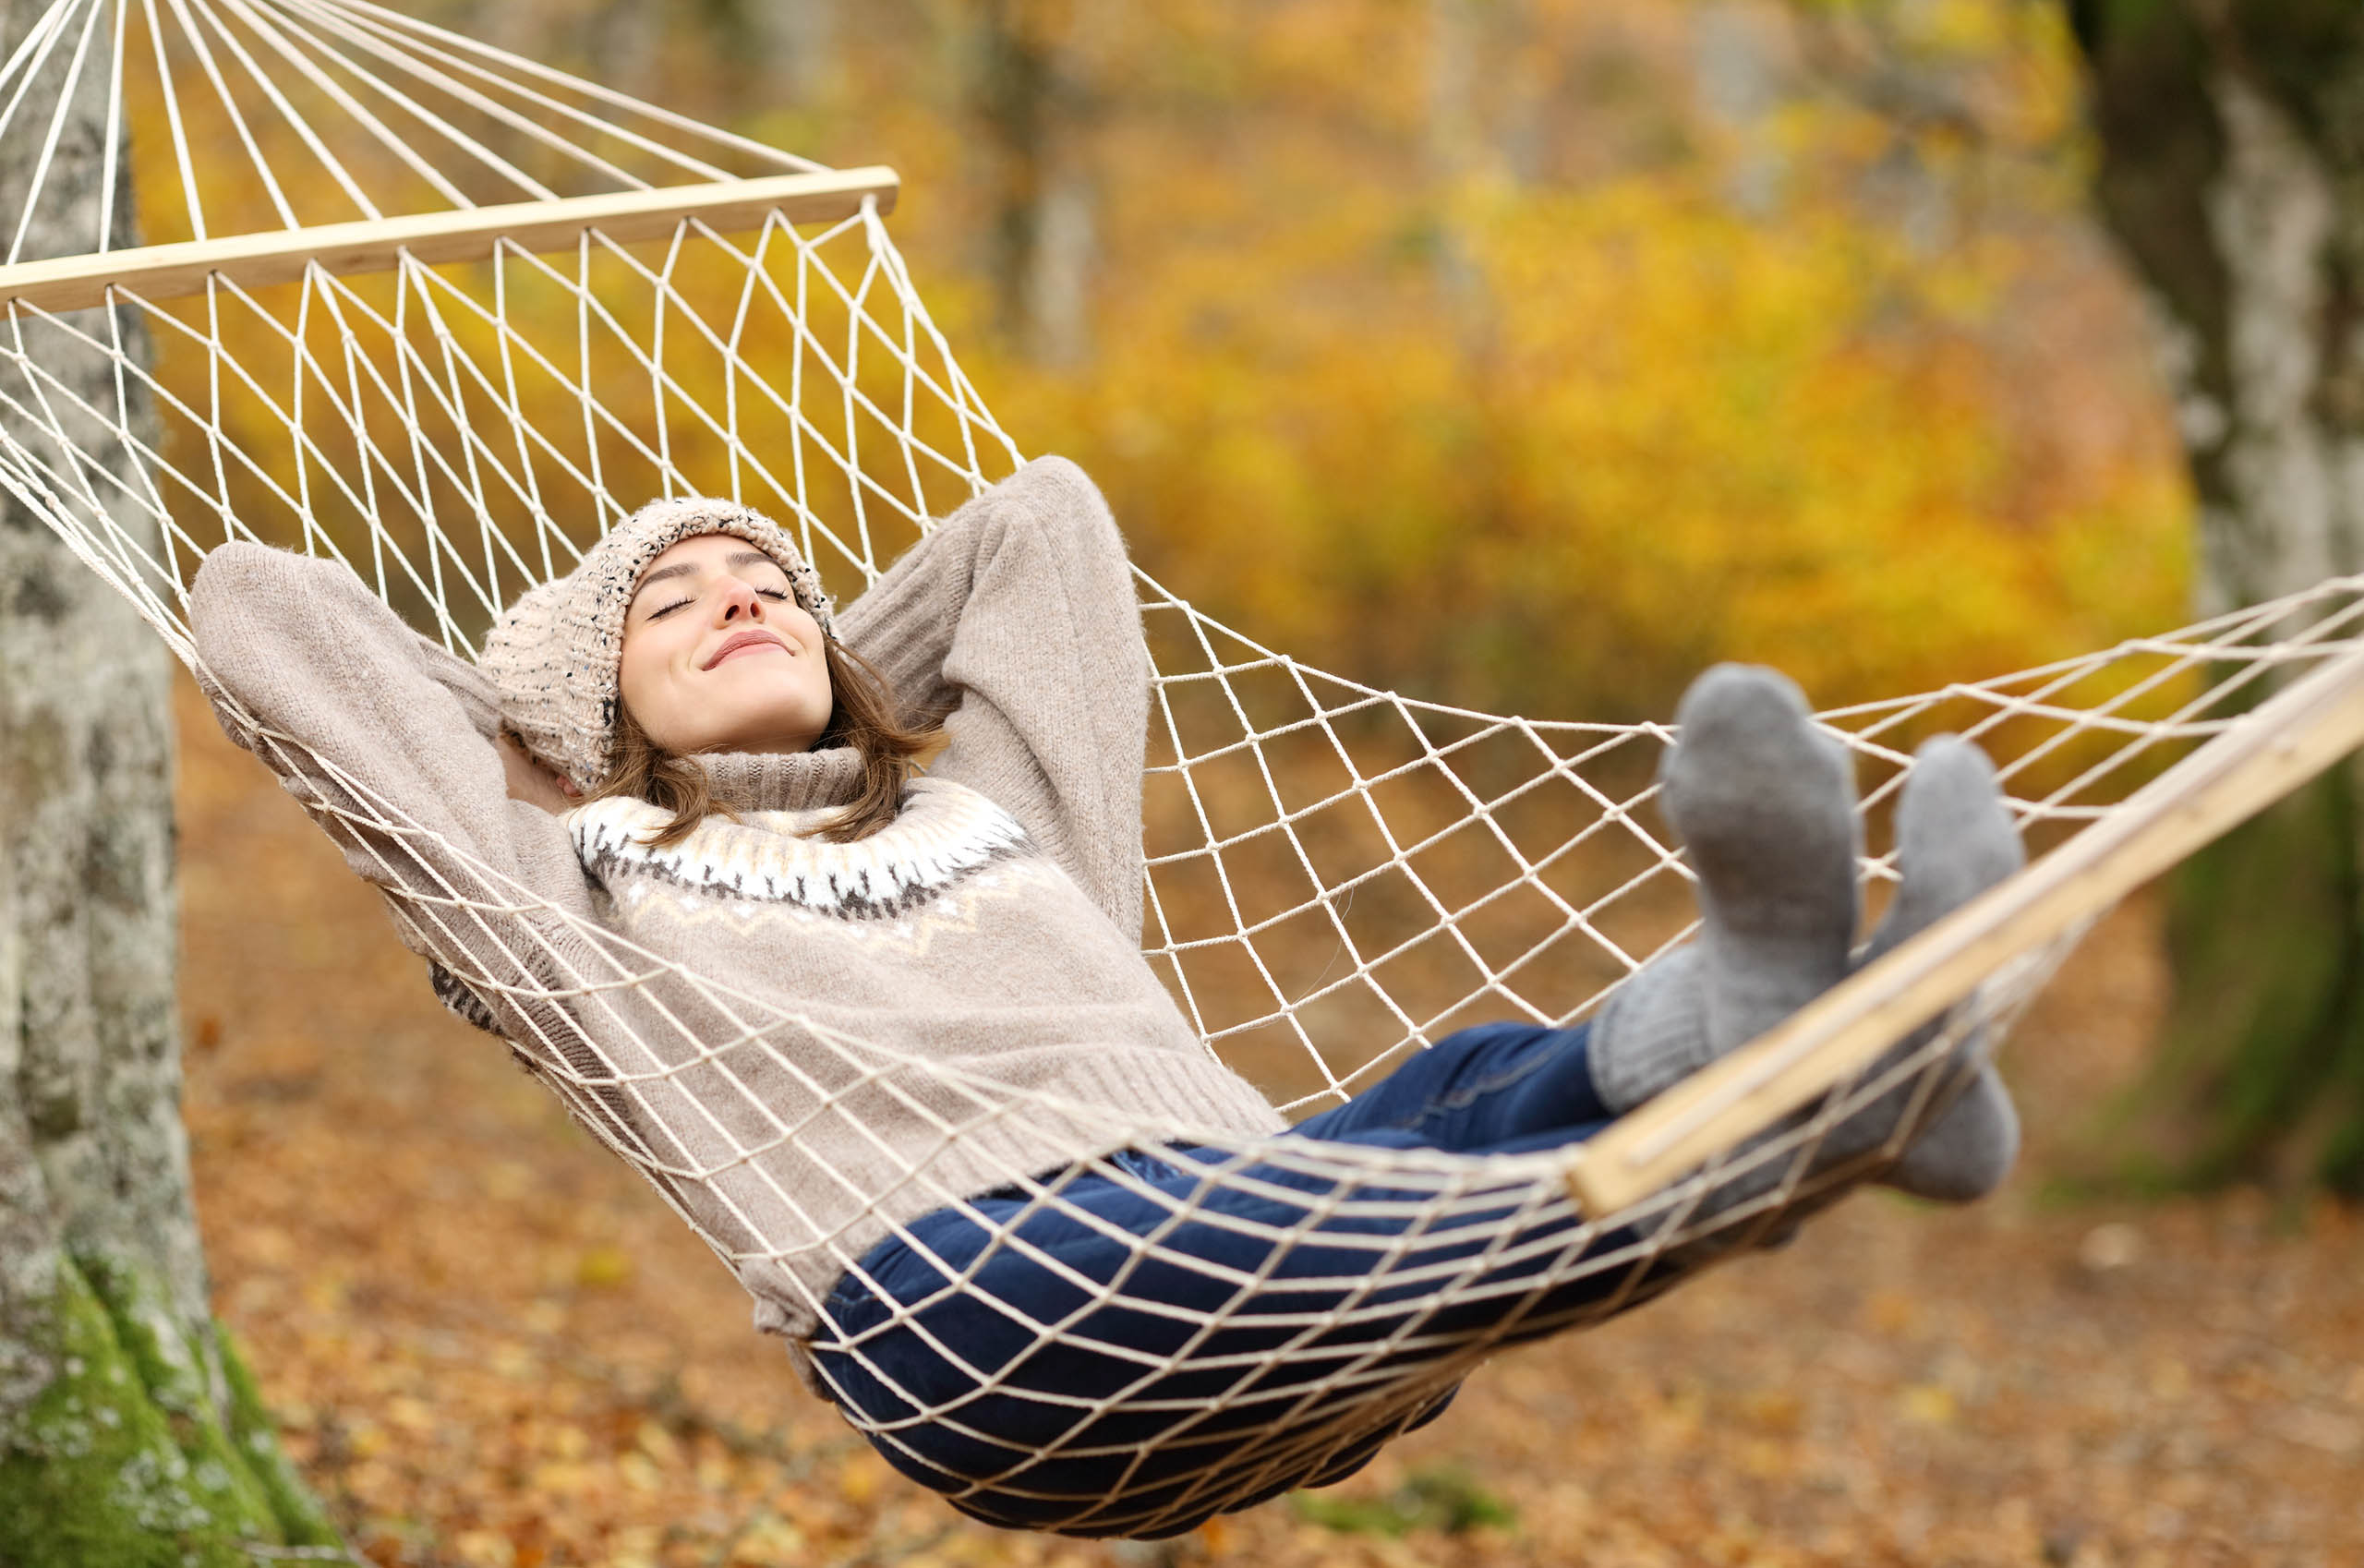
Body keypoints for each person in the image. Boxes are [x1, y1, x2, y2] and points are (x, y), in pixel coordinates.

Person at [190, 456, 2022, 1538]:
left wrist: (804, 674)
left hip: (1270, 1260)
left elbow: (1036, 524)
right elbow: (262, 608)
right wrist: (569, 734)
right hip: (972, 1309)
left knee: (1459, 1079)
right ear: (588, 707)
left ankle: (1781, 1010)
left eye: (774, 583)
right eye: (675, 605)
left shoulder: (1004, 796)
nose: (742, 596)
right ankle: (1807, 1116)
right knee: (1281, 1201)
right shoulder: (555, 892)